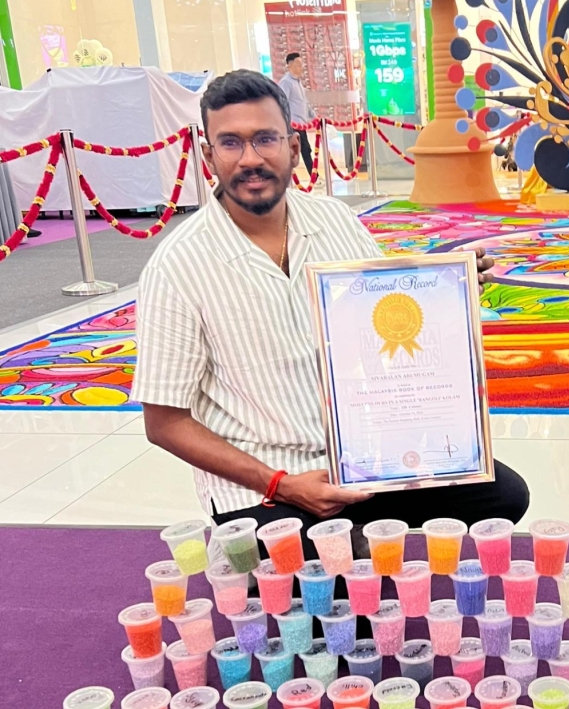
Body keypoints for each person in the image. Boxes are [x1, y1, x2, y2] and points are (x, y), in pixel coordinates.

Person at [132, 70, 529, 559]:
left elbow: (387, 315)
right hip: (266, 483)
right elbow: (164, 422)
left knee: (504, 494)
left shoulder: (335, 221)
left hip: (364, 459)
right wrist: (284, 484)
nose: (251, 159)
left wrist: (446, 286)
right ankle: (310, 554)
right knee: (345, 599)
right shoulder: (178, 266)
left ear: (294, 147)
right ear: (208, 154)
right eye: (230, 143)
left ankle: (358, 539)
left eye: (265, 139)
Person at [277, 53, 314, 175]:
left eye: (301, 64)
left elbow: (304, 103)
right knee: (301, 150)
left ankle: (314, 176)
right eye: (298, 64)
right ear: (290, 65)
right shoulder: (286, 83)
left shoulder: (298, 83)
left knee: (306, 150)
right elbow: (282, 102)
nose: (301, 67)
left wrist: (315, 117)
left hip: (301, 124)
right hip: (293, 124)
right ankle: (313, 176)